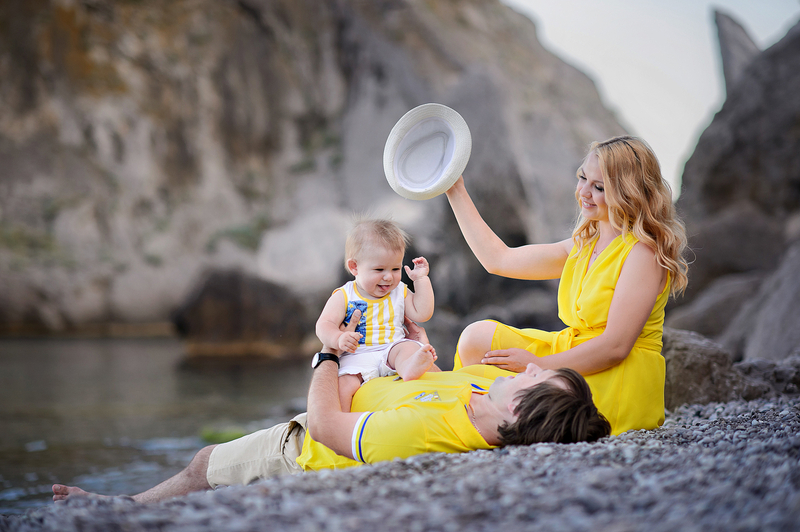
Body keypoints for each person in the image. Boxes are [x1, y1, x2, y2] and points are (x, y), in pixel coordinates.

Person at [53, 316, 610, 504]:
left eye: (537, 380)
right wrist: (411, 348)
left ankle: (120, 510)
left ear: (519, 418)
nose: (530, 368)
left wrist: (328, 356)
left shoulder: (431, 433)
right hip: (364, 389)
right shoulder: (487, 389)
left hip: (306, 448)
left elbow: (326, 427)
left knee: (203, 466)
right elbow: (429, 379)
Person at [445, 135, 688, 435]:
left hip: (613, 375)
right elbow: (499, 259)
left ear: (628, 192)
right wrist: (455, 189)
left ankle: (466, 424)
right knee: (476, 338)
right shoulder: (584, 245)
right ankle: (462, 413)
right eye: (583, 178)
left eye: (599, 187)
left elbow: (615, 346)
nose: (584, 192)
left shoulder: (643, 254)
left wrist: (539, 365)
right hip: (569, 352)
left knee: (510, 391)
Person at [316, 218, 437, 411]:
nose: (388, 277)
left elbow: (422, 313)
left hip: (391, 348)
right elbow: (324, 324)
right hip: (357, 355)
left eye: (395, 269)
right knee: (342, 387)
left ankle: (409, 368)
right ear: (354, 267)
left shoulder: (399, 291)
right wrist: (338, 338)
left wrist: (421, 279)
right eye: (379, 269)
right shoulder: (344, 295)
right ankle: (342, 421)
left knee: (408, 348)